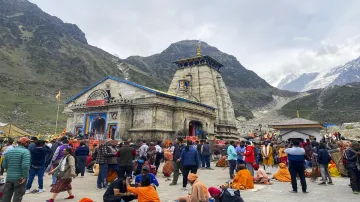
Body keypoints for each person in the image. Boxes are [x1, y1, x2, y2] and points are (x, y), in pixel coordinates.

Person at [2, 137, 31, 202]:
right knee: (18, 196)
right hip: (20, 178)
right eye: (28, 143)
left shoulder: (9, 151)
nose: (29, 144)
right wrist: (25, 176)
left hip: (9, 177)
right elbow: (25, 166)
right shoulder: (26, 152)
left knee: (6, 195)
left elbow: (3, 165)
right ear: (25, 143)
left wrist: (10, 170)